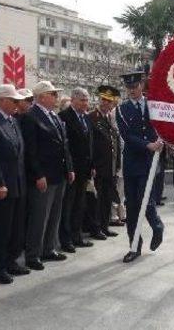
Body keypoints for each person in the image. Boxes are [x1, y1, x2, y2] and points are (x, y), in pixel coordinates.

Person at [20, 81, 75, 271]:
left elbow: (64, 144)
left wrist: (69, 167)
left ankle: (48, 248)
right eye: (53, 94)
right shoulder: (30, 117)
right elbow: (31, 150)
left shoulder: (54, 116)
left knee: (54, 214)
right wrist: (38, 174)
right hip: (43, 175)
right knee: (39, 216)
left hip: (59, 173)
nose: (56, 97)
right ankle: (33, 254)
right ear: (42, 96)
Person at [0, 85, 29, 284]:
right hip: (2, 185)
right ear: (2, 101)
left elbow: (18, 152)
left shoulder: (12, 121)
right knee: (1, 229)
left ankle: (11, 261)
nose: (18, 104)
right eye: (14, 100)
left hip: (17, 182)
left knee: (16, 227)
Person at [115, 71, 164, 263]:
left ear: (142, 86)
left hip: (150, 162)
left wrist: (160, 141)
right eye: (129, 88)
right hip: (132, 162)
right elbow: (127, 136)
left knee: (146, 199)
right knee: (132, 205)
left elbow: (162, 126)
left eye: (135, 87)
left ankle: (157, 226)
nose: (132, 91)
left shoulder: (153, 105)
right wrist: (147, 144)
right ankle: (134, 245)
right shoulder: (121, 110)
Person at [59, 88, 94, 252]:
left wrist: (92, 165)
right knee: (69, 206)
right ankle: (66, 240)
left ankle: (77, 236)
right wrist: (69, 168)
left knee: (80, 205)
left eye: (87, 100)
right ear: (73, 100)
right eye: (82, 100)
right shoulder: (64, 117)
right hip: (71, 170)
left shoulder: (86, 118)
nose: (85, 103)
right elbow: (65, 146)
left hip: (84, 169)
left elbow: (90, 144)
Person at [87, 85, 122, 240]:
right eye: (103, 100)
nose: (105, 103)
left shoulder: (110, 118)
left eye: (109, 101)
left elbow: (115, 144)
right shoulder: (92, 117)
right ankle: (96, 228)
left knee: (107, 198)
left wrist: (118, 164)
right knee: (97, 199)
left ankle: (105, 226)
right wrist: (92, 165)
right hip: (98, 166)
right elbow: (90, 144)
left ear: (113, 103)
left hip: (111, 166)